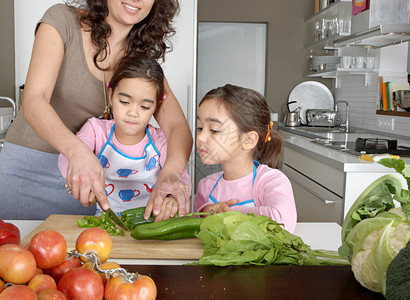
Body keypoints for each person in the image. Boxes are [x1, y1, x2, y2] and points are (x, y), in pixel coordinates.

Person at [0, 0, 192, 220]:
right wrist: (77, 151)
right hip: (30, 173)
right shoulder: (62, 20)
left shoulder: (141, 61)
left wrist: (171, 173)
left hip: (91, 187)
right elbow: (34, 100)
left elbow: (178, 127)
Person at [58, 57, 190, 218]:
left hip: (150, 225)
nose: (133, 113)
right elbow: (67, 157)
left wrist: (171, 198)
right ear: (111, 95)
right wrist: (80, 178)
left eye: (145, 106)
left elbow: (180, 176)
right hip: (107, 224)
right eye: (125, 101)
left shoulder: (160, 141)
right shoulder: (95, 130)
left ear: (156, 106)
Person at [194, 84, 297, 232]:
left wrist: (227, 215)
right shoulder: (207, 186)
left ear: (248, 140)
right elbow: (193, 226)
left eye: (214, 130)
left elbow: (282, 221)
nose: (201, 137)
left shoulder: (270, 181)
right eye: (199, 128)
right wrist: (206, 212)